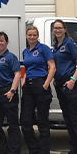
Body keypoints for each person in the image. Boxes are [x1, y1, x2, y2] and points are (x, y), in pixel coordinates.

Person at [21, 26, 56, 154]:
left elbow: (52, 67)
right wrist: (24, 80)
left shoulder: (43, 49)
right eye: (29, 35)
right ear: (26, 36)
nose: (32, 37)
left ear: (37, 36)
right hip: (28, 88)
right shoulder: (25, 51)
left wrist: (46, 84)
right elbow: (27, 68)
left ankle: (43, 150)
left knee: (42, 121)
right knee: (25, 121)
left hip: (41, 84)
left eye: (34, 35)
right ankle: (33, 149)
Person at [0, 32, 21, 154]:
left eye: (2, 41)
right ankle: (2, 150)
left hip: (9, 93)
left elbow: (17, 74)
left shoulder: (11, 57)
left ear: (7, 42)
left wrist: (12, 91)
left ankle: (14, 151)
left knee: (13, 125)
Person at [52, 19, 77, 154]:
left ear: (65, 29)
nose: (57, 30)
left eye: (60, 28)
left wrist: (73, 79)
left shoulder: (69, 44)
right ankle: (73, 148)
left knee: (74, 119)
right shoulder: (56, 46)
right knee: (67, 119)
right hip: (60, 86)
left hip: (70, 85)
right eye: (55, 28)